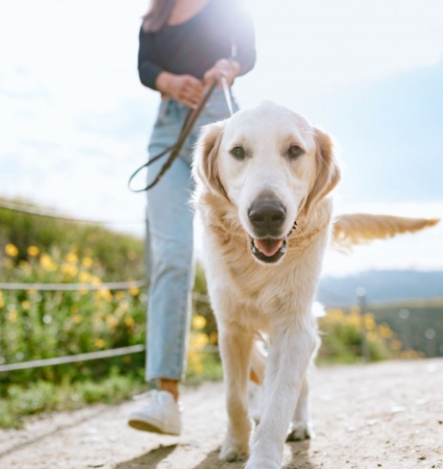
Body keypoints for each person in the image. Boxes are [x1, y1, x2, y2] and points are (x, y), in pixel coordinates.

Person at [128, 0, 256, 436]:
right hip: (166, 130)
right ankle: (165, 397)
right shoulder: (156, 15)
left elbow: (249, 52)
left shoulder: (227, 7)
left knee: (242, 248)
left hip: (220, 124)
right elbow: (145, 65)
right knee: (172, 254)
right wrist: (168, 80)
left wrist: (229, 65)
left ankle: (258, 375)